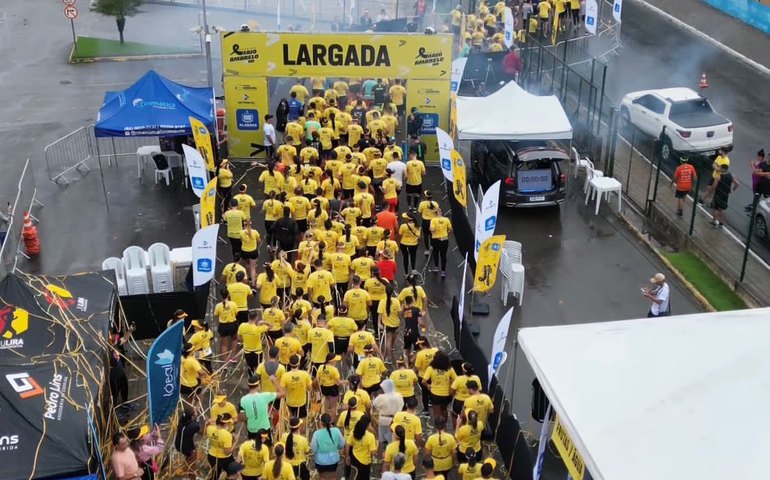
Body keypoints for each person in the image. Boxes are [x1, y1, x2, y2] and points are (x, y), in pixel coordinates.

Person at [239, 374, 287, 443]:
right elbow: (283, 393)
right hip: (264, 429)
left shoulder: (243, 400)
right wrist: (274, 381)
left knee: (253, 448)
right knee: (266, 449)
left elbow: (242, 418)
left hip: (252, 430)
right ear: (258, 385)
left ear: (248, 386)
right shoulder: (265, 396)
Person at [311, 413, 346, 480]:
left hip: (320, 460)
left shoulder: (317, 434)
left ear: (321, 423)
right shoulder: (336, 431)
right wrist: (337, 448)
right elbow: (342, 444)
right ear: (330, 421)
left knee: (322, 477)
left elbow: (313, 448)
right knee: (333, 477)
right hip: (333, 459)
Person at [704, 163, 739, 227]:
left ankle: (714, 221)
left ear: (723, 169)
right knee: (722, 209)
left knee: (716, 208)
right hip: (725, 195)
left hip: (718, 194)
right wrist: (732, 190)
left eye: (720, 168)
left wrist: (710, 193)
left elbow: (714, 186)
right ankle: (721, 223)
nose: (719, 169)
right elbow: (737, 184)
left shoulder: (719, 177)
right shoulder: (731, 175)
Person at [372, 378, 405, 444]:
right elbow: (402, 404)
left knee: (384, 437)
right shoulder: (399, 395)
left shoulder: (381, 397)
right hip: (397, 418)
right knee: (395, 436)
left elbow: (375, 404)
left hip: (384, 419)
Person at [345, 415, 378, 480]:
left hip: (355, 457)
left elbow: (347, 444)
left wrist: (347, 456)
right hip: (365, 461)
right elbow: (373, 452)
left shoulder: (353, 431)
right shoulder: (370, 436)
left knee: (356, 475)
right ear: (368, 424)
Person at [206, 413, 236, 479]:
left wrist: (209, 422)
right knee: (234, 474)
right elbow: (227, 452)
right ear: (225, 424)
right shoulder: (227, 435)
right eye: (229, 423)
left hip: (211, 456)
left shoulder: (210, 428)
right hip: (224, 459)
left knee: (215, 475)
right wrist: (235, 442)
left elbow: (207, 426)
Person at [174, 408, 200, 480]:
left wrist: (194, 410)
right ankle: (191, 476)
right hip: (187, 447)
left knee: (188, 458)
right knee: (193, 458)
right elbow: (201, 431)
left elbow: (190, 419)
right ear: (192, 417)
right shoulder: (193, 426)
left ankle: (186, 468)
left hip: (178, 444)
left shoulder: (181, 420)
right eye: (195, 413)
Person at [429, 208, 452, 277]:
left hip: (436, 239)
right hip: (444, 239)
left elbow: (432, 229)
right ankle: (443, 271)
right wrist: (446, 232)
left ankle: (436, 267)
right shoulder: (446, 219)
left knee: (435, 253)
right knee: (443, 255)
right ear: (441, 213)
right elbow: (450, 228)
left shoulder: (433, 220)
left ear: (435, 213)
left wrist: (433, 230)